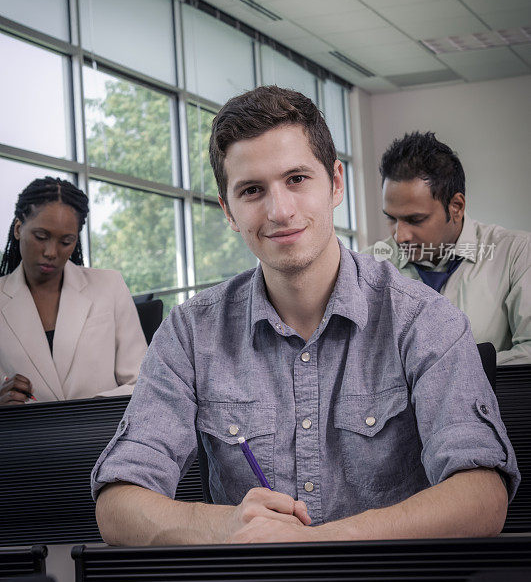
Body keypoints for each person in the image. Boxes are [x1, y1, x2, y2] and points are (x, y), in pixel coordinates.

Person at [92, 86, 518, 547]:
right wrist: (226, 526)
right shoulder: (191, 333)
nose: (280, 211)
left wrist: (326, 540)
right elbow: (118, 504)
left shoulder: (425, 321)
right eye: (252, 190)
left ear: (335, 183)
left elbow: (481, 496)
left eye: (297, 179)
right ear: (229, 211)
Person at [364, 132, 531, 365]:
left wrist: (452, 370)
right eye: (391, 218)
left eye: (415, 219)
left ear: (456, 207)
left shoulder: (517, 253)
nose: (400, 236)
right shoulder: (368, 265)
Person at [0, 176, 147, 404]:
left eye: (66, 241)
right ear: (19, 229)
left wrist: (82, 415)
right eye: (41, 237)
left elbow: (142, 380)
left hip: (103, 432)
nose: (51, 251)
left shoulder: (109, 285)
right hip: (23, 436)